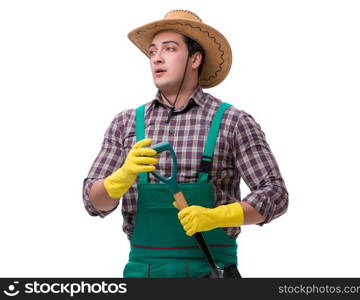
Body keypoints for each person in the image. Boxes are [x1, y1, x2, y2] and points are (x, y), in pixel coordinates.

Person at [82, 9, 289, 278]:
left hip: (211, 272)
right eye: (153, 51)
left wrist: (219, 216)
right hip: (142, 275)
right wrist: (119, 179)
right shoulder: (126, 124)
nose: (157, 57)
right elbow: (92, 202)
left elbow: (275, 194)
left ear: (195, 58)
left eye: (169, 49)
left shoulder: (232, 121)